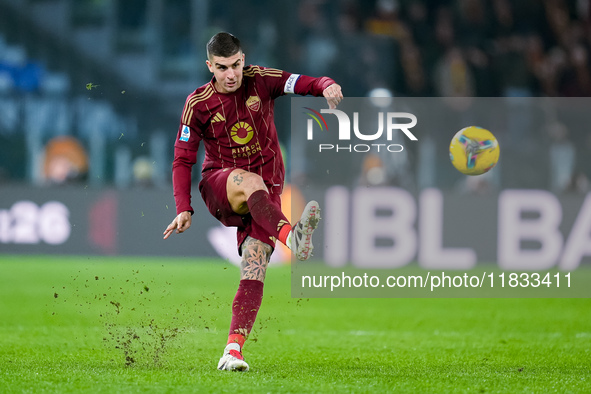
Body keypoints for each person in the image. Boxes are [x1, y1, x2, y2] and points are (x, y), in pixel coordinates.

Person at [163, 32, 343, 372]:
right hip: (222, 185)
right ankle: (293, 237)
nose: (231, 74)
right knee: (249, 180)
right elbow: (182, 159)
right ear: (209, 66)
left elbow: (302, 82)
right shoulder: (198, 103)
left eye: (236, 65)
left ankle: (233, 350)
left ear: (244, 60)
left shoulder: (261, 80)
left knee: (255, 265)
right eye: (222, 67)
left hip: (267, 194)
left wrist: (326, 84)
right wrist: (182, 206)